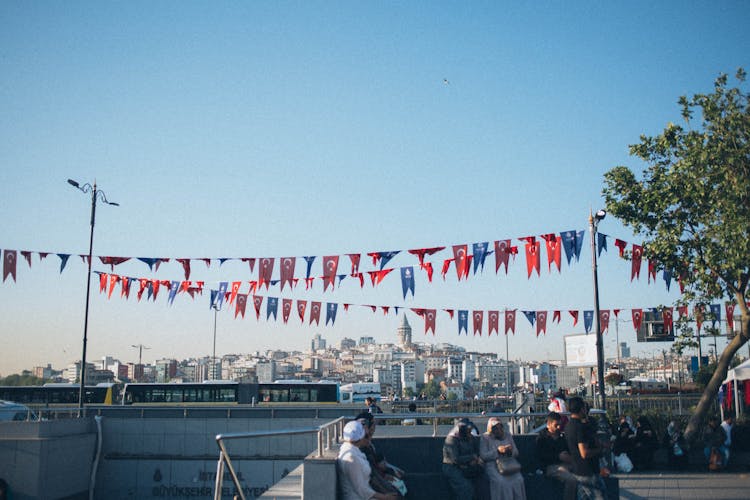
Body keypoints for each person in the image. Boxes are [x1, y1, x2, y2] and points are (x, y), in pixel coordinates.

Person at [337, 420, 398, 500]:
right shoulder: (351, 458)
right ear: (361, 437)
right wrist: (385, 497)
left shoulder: (352, 450)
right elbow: (361, 489)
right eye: (366, 435)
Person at [355, 412, 406, 497]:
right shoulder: (360, 450)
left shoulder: (368, 445)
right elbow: (372, 477)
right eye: (373, 424)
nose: (374, 428)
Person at [565, 397, 606, 500]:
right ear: (582, 409)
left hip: (577, 470)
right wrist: (600, 449)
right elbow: (584, 452)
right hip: (589, 471)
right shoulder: (580, 427)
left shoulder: (568, 426)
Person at [478, 417, 526, 500]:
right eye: (495, 428)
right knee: (501, 482)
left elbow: (516, 452)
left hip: (509, 464)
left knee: (519, 480)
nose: (498, 430)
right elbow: (483, 456)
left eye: (500, 427)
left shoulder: (507, 435)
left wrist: (509, 451)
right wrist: (497, 451)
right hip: (493, 466)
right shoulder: (485, 437)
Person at [536, 412, 577, 500]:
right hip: (551, 467)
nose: (559, 427)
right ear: (549, 424)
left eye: (560, 425)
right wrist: (558, 456)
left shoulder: (562, 437)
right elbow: (541, 456)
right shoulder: (542, 438)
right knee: (571, 480)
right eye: (556, 425)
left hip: (566, 465)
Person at [443, 417, 483, 499]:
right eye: (467, 429)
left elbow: (477, 451)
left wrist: (475, 460)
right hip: (452, 467)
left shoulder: (471, 437)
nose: (470, 431)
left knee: (484, 480)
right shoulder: (452, 439)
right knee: (466, 487)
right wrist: (471, 458)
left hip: (470, 465)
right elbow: (455, 459)